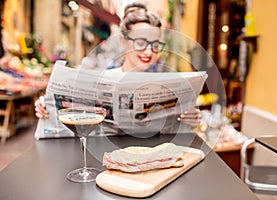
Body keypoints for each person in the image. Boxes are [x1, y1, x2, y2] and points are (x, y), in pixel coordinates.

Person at [35, 2, 201, 130]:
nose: (149, 52)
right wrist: (47, 105)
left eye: (156, 44)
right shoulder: (103, 78)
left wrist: (189, 119)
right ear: (123, 41)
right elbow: (76, 113)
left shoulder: (166, 82)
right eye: (141, 42)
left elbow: (176, 127)